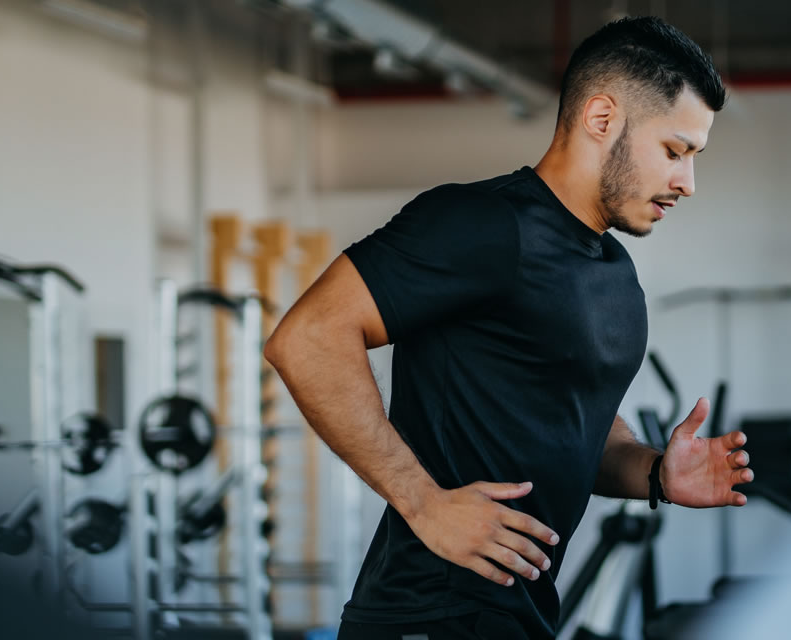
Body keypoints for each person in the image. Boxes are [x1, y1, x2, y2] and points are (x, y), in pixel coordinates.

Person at [266, 16, 746, 640]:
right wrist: (422, 501)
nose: (687, 182)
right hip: (430, 613)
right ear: (602, 120)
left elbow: (577, 431)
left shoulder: (613, 269)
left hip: (518, 616)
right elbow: (306, 338)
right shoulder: (483, 224)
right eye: (675, 151)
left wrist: (654, 472)